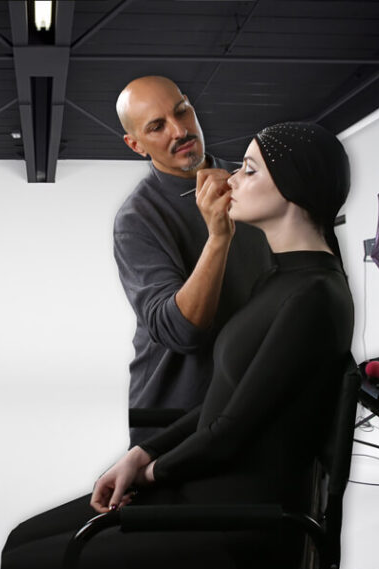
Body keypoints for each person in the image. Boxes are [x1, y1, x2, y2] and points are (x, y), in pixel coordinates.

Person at [1, 122, 355, 569]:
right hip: (203, 489)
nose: (230, 180)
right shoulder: (280, 278)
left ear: (294, 187)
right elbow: (220, 401)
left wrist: (149, 475)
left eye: (248, 171)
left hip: (234, 523)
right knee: (19, 541)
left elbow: (229, 433)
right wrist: (139, 456)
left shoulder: (314, 296)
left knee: (26, 564)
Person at [113, 76, 272, 445]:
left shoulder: (254, 184)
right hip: (174, 410)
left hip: (255, 397)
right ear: (136, 145)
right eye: (157, 126)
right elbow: (181, 332)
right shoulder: (136, 220)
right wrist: (218, 238)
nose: (180, 130)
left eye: (182, 111)